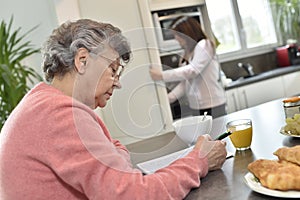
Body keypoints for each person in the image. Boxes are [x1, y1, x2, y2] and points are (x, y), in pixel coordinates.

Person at [0, 19, 227, 200]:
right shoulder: (60, 115)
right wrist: (199, 160)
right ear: (82, 60)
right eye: (112, 69)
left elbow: (115, 153)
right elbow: (135, 195)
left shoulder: (42, 104)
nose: (117, 83)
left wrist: (115, 156)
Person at [150, 16, 227, 118]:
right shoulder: (187, 52)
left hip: (213, 105)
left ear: (187, 33)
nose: (176, 39)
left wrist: (162, 75)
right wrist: (167, 99)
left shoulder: (204, 44)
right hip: (196, 107)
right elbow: (185, 83)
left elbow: (193, 70)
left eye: (177, 35)